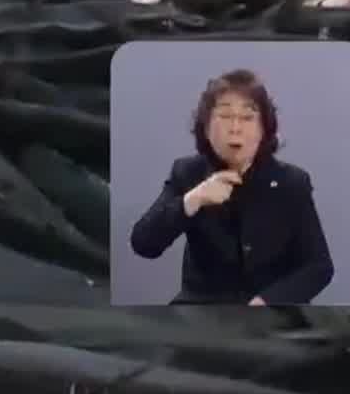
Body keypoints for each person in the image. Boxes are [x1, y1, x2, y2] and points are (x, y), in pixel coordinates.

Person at [129, 69, 333, 306]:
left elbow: (319, 267)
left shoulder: (292, 182)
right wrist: (192, 200)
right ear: (206, 129)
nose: (235, 128)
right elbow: (143, 244)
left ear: (264, 130)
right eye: (225, 116)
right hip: (203, 312)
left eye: (247, 118)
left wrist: (268, 301)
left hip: (272, 316)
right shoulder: (187, 173)